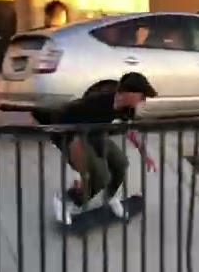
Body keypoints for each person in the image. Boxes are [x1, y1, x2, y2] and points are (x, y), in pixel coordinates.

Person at [50, 72, 159, 224]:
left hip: (94, 135)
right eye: (141, 96)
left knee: (120, 163)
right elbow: (71, 135)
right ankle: (65, 200)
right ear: (128, 93)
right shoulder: (96, 103)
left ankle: (110, 196)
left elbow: (130, 131)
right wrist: (81, 171)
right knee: (100, 176)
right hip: (68, 135)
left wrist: (145, 154)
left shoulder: (127, 109)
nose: (143, 101)